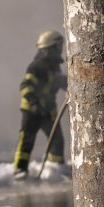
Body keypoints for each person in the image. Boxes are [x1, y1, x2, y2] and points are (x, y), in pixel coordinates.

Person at [13, 30, 67, 179]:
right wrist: (34, 103)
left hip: (48, 110)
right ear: (50, 47)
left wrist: (69, 86)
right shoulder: (36, 66)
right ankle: (20, 170)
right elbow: (25, 86)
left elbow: (57, 81)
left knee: (57, 140)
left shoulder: (54, 66)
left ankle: (55, 168)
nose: (61, 48)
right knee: (27, 139)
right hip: (32, 110)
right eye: (58, 45)